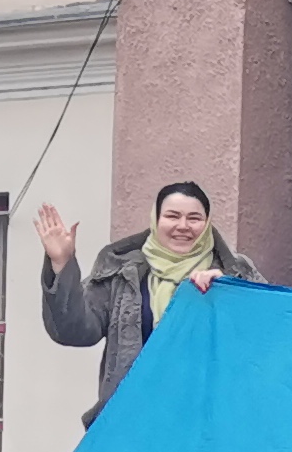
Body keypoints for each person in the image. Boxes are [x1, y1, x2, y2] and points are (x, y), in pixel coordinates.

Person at [37, 180, 261, 422]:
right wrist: (61, 264)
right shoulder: (121, 271)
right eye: (172, 216)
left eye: (194, 218)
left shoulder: (235, 272)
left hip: (210, 422)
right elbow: (73, 330)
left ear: (207, 223)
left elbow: (268, 335)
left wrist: (230, 292)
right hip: (134, 419)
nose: (183, 226)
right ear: (156, 219)